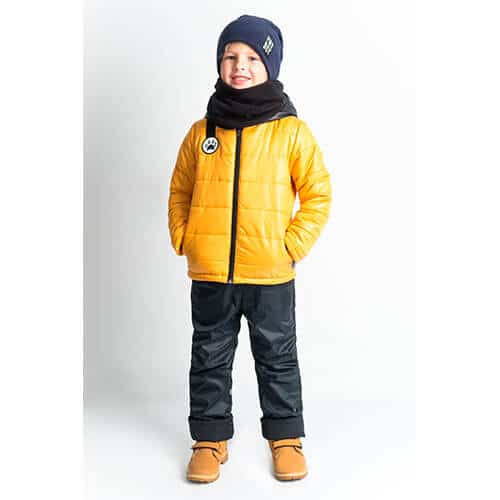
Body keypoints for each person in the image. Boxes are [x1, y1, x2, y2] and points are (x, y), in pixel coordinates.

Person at [168, 14, 332, 483]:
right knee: (209, 357)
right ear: (219, 63)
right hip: (211, 273)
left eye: (253, 58)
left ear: (270, 66)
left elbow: (318, 194)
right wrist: (185, 237)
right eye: (230, 56)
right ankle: (209, 440)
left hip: (270, 274)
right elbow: (180, 190)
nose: (240, 66)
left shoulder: (290, 132)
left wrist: (291, 245)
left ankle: (286, 438)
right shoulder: (202, 132)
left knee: (277, 358)